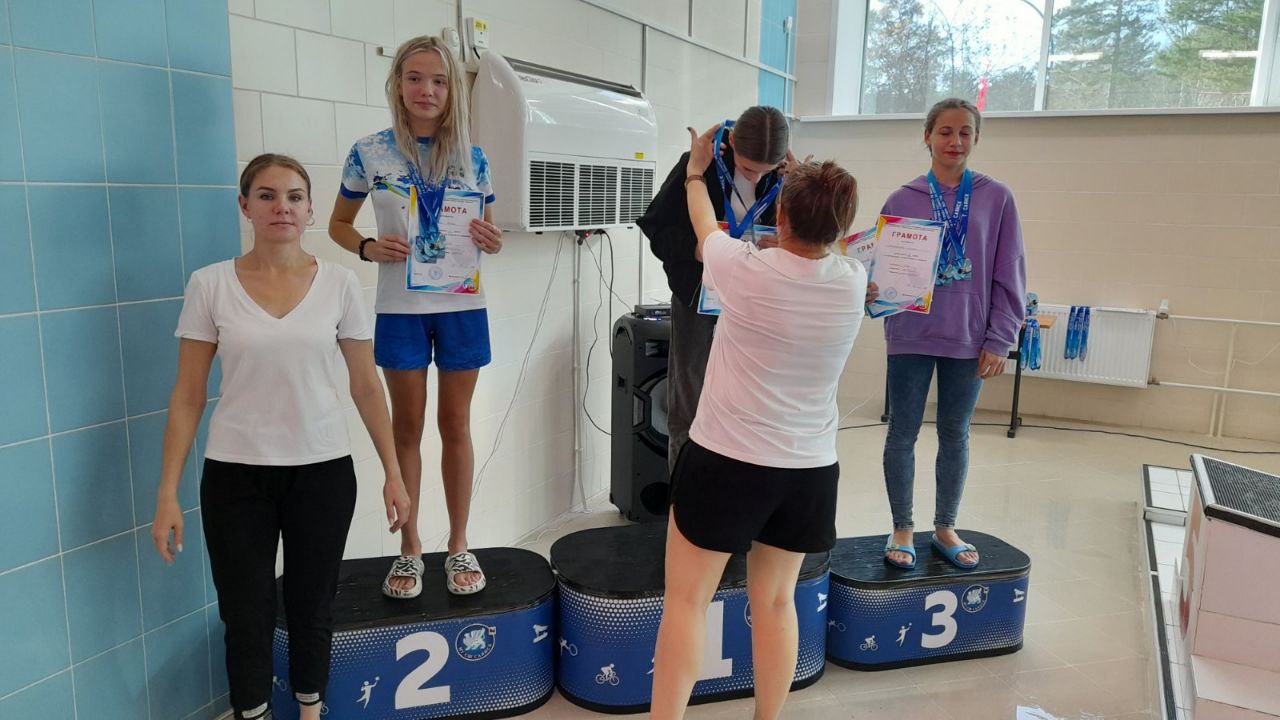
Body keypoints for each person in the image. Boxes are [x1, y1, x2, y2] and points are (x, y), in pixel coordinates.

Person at [151, 153, 411, 720]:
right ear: (245, 206)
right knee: (245, 612)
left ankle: (310, 709)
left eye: (294, 197)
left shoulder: (340, 283)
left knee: (312, 606)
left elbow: (367, 386)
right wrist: (167, 493)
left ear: (310, 209)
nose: (282, 207)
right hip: (235, 475)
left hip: (322, 472)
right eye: (266, 196)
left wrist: (393, 472)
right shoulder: (210, 285)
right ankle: (253, 712)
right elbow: (188, 396)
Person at [650, 125, 866, 720]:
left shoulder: (743, 268)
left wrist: (697, 169)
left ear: (782, 215)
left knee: (687, 603)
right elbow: (822, 240)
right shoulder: (851, 282)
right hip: (808, 472)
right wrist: (802, 183)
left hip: (726, 461)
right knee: (775, 603)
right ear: (843, 228)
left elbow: (702, 222)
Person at [328, 35, 503, 598]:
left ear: (453, 91)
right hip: (400, 310)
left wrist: (493, 239)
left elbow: (489, 232)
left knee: (456, 426)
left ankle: (458, 544)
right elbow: (337, 225)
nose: (427, 90)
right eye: (415, 78)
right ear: (397, 85)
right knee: (406, 428)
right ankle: (410, 550)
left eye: (440, 81)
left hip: (462, 307)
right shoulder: (369, 152)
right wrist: (365, 247)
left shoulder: (473, 157)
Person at [876, 98, 1027, 571]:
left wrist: (1000, 337)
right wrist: (873, 289)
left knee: (955, 435)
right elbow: (883, 268)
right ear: (927, 136)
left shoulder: (997, 197)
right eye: (945, 131)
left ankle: (944, 527)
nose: (955, 141)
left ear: (976, 139)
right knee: (902, 433)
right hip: (911, 334)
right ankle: (903, 527)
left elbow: (1010, 271)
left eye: (965, 132)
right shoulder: (902, 199)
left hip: (969, 336)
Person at [636, 105, 795, 474]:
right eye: (749, 168)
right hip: (698, 302)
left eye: (765, 170)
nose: (756, 176)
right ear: (733, 140)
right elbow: (656, 229)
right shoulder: (698, 165)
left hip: (754, 304)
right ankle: (683, 502)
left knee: (750, 406)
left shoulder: (785, 176)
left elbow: (807, 243)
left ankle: (736, 497)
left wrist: (787, 234)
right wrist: (698, 248)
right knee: (689, 405)